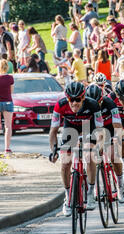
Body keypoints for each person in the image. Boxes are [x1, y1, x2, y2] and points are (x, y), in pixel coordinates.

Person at [49, 81, 104, 215]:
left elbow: (100, 131)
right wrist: (54, 150)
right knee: (65, 163)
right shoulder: (60, 105)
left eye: (77, 99)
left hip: (87, 127)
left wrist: (98, 147)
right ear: (67, 98)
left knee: (89, 156)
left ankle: (90, 193)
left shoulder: (93, 104)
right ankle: (68, 197)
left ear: (83, 97)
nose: (74, 103)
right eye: (71, 100)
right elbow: (53, 131)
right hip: (70, 127)